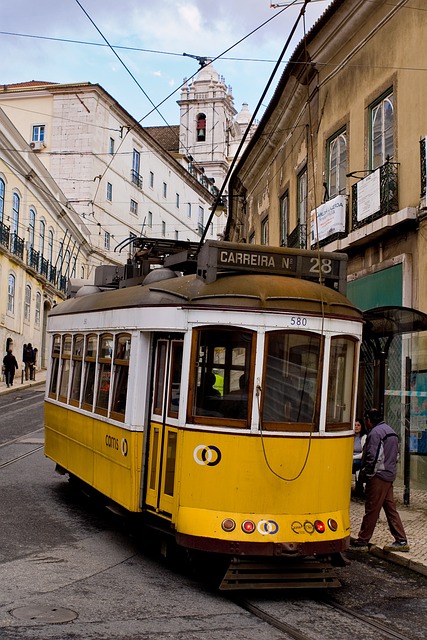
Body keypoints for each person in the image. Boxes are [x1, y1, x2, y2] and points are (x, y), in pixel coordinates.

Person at [350, 408, 409, 552]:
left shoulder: (376, 433)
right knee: (390, 508)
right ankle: (401, 540)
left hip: (379, 476)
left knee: (372, 508)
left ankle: (363, 540)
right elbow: (396, 455)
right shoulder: (391, 431)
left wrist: (367, 474)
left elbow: (374, 457)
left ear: (369, 420)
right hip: (389, 474)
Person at [352, 417, 366, 497]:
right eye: (354, 425)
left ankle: (359, 488)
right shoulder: (352, 436)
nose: (356, 427)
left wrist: (352, 457)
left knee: (354, 464)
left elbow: (363, 453)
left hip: (359, 458)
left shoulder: (364, 437)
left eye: (358, 425)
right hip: (351, 457)